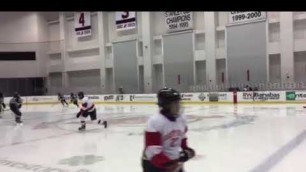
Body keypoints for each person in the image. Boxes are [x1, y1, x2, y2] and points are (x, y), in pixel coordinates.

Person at [142, 87, 196, 172]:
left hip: (173, 161)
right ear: (166, 105)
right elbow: (152, 151)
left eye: (179, 102)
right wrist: (169, 164)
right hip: (153, 164)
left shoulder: (181, 119)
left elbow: (181, 137)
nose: (179, 106)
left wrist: (186, 150)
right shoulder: (155, 121)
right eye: (175, 103)